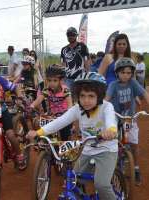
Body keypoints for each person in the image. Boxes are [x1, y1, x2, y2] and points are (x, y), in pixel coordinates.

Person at [28, 72, 118, 199]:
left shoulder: (106, 107)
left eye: (91, 96)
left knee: (101, 184)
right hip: (86, 150)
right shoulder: (78, 109)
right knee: (74, 183)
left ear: (99, 96)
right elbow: (60, 121)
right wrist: (39, 133)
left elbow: (110, 121)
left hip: (106, 150)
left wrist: (111, 131)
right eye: (82, 96)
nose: (86, 100)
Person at [104, 57, 149, 186]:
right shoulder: (113, 85)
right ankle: (115, 167)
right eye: (123, 72)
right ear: (117, 73)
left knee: (134, 145)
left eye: (129, 73)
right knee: (114, 143)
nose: (126, 75)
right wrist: (102, 111)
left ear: (132, 74)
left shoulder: (133, 83)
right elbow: (106, 99)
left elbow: (145, 94)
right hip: (116, 118)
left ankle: (136, 169)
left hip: (130, 118)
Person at [30, 64, 73, 140]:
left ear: (61, 80)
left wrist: (69, 112)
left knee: (65, 138)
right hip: (52, 115)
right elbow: (39, 100)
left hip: (64, 116)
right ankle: (45, 141)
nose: (51, 83)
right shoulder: (47, 89)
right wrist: (32, 106)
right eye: (49, 80)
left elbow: (69, 103)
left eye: (55, 80)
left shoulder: (65, 90)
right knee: (36, 122)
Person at [61, 27, 91, 100]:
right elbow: (62, 64)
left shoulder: (82, 47)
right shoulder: (64, 49)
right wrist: (61, 78)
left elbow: (87, 62)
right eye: (68, 35)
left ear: (76, 35)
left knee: (79, 99)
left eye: (72, 34)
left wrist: (87, 77)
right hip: (67, 79)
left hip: (80, 78)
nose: (70, 36)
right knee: (68, 99)